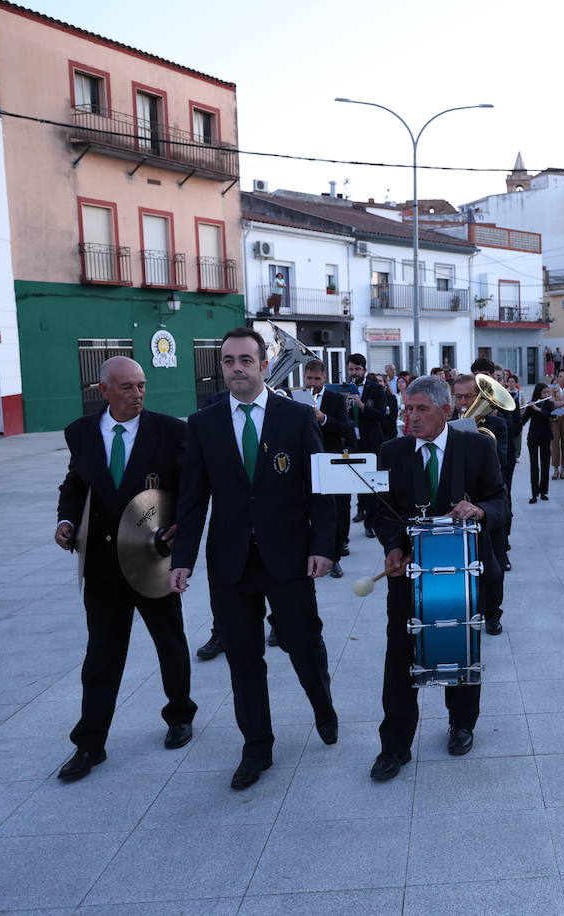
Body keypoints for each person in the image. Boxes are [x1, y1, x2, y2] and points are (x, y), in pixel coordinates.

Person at [170, 328, 338, 791]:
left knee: (304, 646)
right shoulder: (202, 424)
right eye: (228, 361)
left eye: (246, 360)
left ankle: (323, 707)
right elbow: (192, 499)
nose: (237, 368)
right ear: (220, 367)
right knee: (244, 660)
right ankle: (257, 748)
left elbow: (320, 489)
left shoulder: (297, 417)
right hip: (230, 564)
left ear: (265, 365)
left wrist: (323, 546)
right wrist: (182, 557)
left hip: (289, 557)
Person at [54, 356, 196, 781]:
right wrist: (65, 520)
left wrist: (178, 529)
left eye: (142, 385)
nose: (138, 394)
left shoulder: (171, 432)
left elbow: (189, 489)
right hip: (100, 565)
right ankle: (90, 743)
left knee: (169, 642)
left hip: (154, 561)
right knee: (101, 654)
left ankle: (179, 715)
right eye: (128, 387)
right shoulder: (80, 433)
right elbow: (75, 484)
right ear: (104, 391)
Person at [371, 375, 507, 779]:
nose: (410, 417)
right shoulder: (391, 451)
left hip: (465, 568)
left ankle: (462, 723)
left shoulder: (478, 447)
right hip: (409, 572)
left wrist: (479, 510)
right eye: (406, 408)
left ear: (446, 411)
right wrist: (393, 545)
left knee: (461, 641)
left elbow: (499, 500)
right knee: (399, 655)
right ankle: (394, 745)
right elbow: (378, 510)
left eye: (420, 409)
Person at [452, 372, 510, 635]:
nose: (464, 402)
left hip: (488, 502)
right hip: (456, 502)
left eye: (469, 396)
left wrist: (478, 440)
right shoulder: (446, 423)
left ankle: (492, 614)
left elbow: (504, 463)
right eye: (459, 396)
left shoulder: (496, 427)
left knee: (494, 564)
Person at [303, 360, 351, 579]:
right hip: (307, 461)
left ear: (325, 379)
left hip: (331, 459)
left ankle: (335, 558)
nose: (312, 383)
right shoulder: (298, 399)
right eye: (309, 378)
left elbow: (346, 429)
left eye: (317, 379)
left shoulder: (335, 400)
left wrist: (324, 419)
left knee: (336, 510)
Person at [346, 354, 390, 540]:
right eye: (351, 369)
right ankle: (361, 510)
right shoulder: (343, 389)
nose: (354, 373)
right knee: (355, 482)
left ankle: (370, 524)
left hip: (371, 442)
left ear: (364, 370)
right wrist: (345, 406)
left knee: (372, 485)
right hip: (351, 442)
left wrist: (362, 405)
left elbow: (381, 415)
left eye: (357, 369)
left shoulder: (376, 389)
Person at [523, 383, 554, 503]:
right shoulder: (532, 404)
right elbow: (524, 420)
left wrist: (537, 408)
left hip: (545, 436)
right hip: (533, 437)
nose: (546, 394)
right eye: (544, 393)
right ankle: (534, 493)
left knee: (545, 464)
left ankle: (543, 492)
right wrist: (523, 411)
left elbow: (549, 415)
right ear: (538, 393)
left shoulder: (549, 404)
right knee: (534, 466)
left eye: (547, 392)